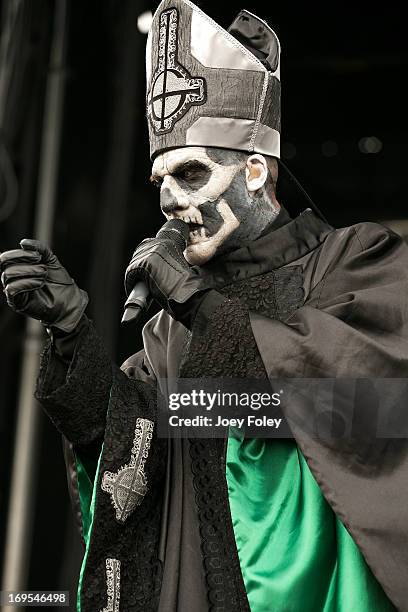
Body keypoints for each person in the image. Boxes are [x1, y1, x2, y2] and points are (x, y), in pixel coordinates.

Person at [1, 2, 408, 611]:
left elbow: (358, 415)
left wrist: (196, 302)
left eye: (190, 174)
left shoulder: (357, 262)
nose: (168, 198)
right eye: (160, 182)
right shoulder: (170, 325)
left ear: (252, 171)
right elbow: (133, 456)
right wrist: (72, 335)